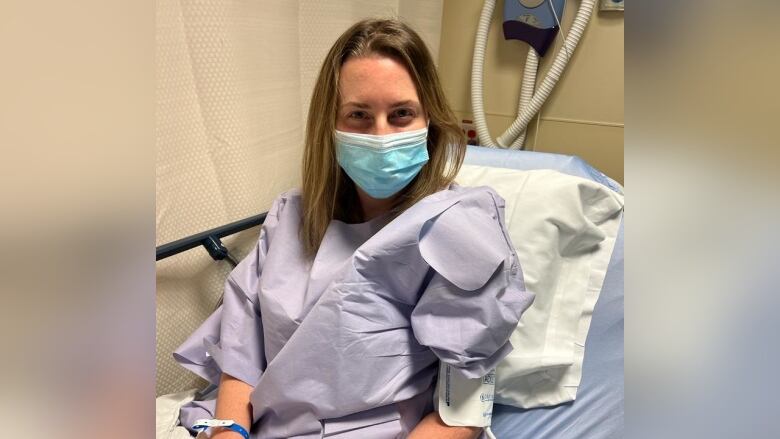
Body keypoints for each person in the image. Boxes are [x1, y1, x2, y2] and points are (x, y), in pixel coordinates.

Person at [174, 18, 534, 439]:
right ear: (332, 126)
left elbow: (462, 412)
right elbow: (240, 349)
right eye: (359, 115)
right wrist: (229, 432)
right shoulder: (291, 215)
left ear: (430, 122)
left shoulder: (458, 231)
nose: (380, 136)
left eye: (401, 114)